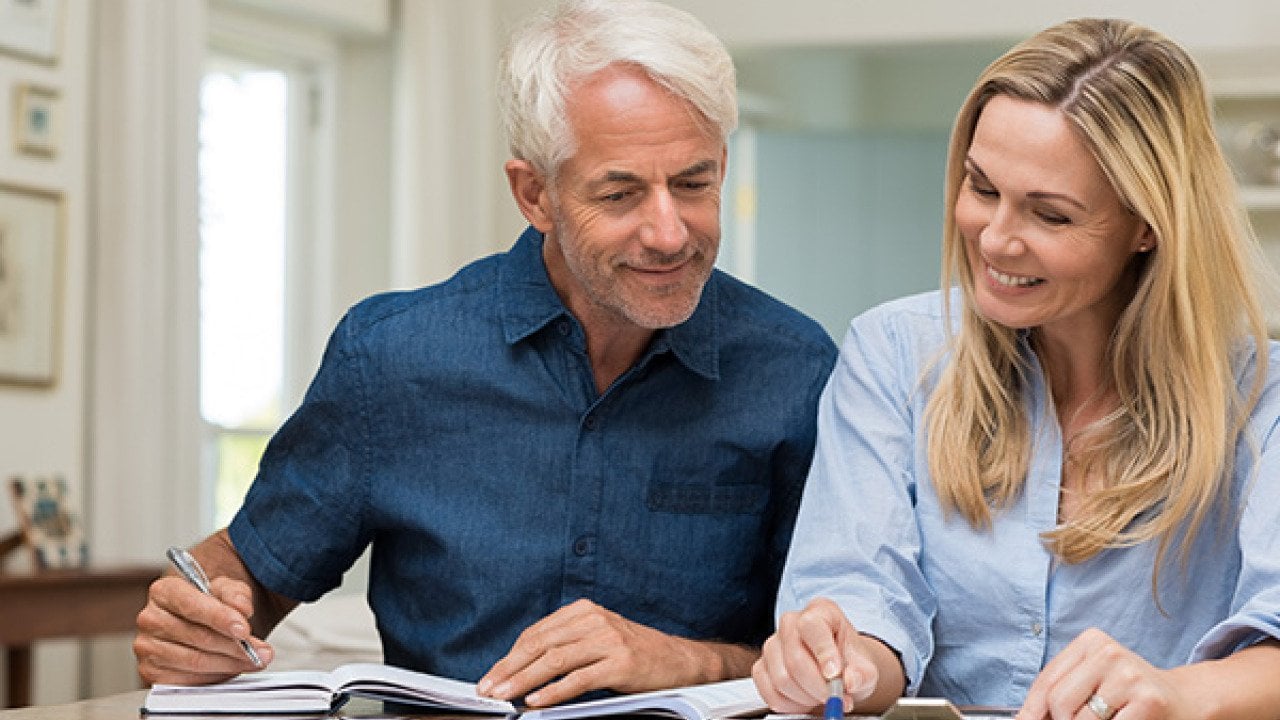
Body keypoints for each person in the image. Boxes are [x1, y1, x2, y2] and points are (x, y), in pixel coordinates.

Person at [133, 0, 837, 708]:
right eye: (620, 193)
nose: (668, 233)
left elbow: (837, 657)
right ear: (535, 194)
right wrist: (195, 627)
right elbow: (249, 578)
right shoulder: (390, 358)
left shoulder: (794, 370)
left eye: (693, 184)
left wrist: (680, 661)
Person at [751, 17, 1280, 720]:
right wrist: (838, 662)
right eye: (981, 188)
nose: (996, 240)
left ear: (1148, 225)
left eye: (1051, 216)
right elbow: (866, 609)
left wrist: (1178, 693)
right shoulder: (893, 354)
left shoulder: (1261, 402)